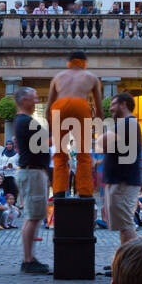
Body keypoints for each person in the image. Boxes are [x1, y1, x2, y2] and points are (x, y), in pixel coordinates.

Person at [47, 50, 103, 198]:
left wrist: (52, 132)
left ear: (69, 63)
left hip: (59, 106)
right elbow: (99, 109)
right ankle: (84, 192)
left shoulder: (58, 77)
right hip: (81, 106)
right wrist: (99, 132)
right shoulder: (91, 77)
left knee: (59, 154)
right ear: (84, 63)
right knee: (83, 154)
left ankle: (59, 192)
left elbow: (48, 108)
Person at [12, 87, 51, 274]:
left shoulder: (23, 121)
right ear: (24, 100)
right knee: (32, 217)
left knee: (33, 216)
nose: (36, 100)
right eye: (33, 98)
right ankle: (27, 260)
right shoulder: (25, 121)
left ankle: (30, 258)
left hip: (33, 171)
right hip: (32, 172)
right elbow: (46, 142)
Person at [100, 92, 142, 249]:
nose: (110, 108)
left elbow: (101, 143)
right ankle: (124, 259)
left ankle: (132, 262)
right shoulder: (125, 124)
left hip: (124, 181)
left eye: (113, 104)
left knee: (126, 223)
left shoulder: (128, 123)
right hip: (121, 180)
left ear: (123, 104)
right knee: (123, 224)